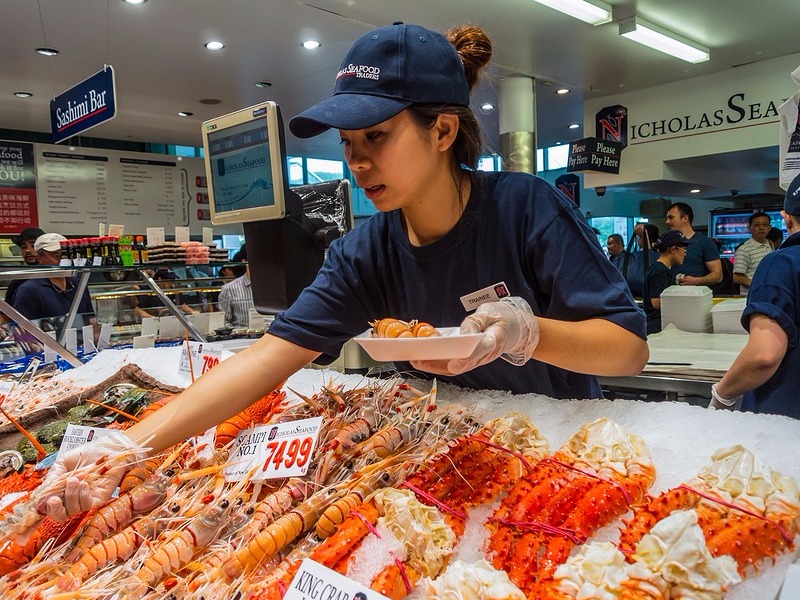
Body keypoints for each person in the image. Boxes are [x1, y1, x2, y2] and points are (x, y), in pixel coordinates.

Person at [38, 22, 648, 520]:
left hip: (567, 457)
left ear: (442, 130)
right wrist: (123, 446)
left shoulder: (527, 207)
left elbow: (627, 350)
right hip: (454, 463)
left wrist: (525, 332)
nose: (357, 162)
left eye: (376, 137)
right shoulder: (364, 251)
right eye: (347, 143)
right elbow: (265, 359)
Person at [709, 174, 800, 419]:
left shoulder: (781, 263)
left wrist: (722, 395)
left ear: (785, 218)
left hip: (786, 423)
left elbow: (764, 355)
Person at [11, 233, 96, 325]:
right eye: (57, 255)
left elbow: (90, 319)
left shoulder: (78, 284)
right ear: (39, 258)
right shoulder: (29, 290)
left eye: (66, 254)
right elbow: (22, 333)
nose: (64, 260)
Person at [642, 230, 691, 334]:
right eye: (684, 250)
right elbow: (656, 302)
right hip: (656, 325)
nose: (685, 254)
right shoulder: (660, 271)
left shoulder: (662, 268)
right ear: (673, 249)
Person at [665, 202, 722, 288]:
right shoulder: (667, 242)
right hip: (670, 294)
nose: (667, 221)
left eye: (671, 217)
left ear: (685, 218)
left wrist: (697, 280)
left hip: (694, 295)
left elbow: (718, 275)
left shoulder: (705, 242)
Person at [4, 227, 45, 306]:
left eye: (33, 246)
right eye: (24, 247)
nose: (28, 250)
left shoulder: (57, 275)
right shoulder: (18, 281)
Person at [732, 212, 772, 295]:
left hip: (768, 295)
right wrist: (759, 286)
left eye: (765, 225)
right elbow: (737, 277)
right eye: (757, 225)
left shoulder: (770, 244)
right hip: (751, 296)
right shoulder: (744, 250)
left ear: (769, 228)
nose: (761, 228)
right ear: (749, 228)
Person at [218, 244, 254, 327]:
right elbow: (224, 323)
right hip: (241, 338)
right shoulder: (229, 289)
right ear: (244, 261)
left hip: (271, 337)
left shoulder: (272, 287)